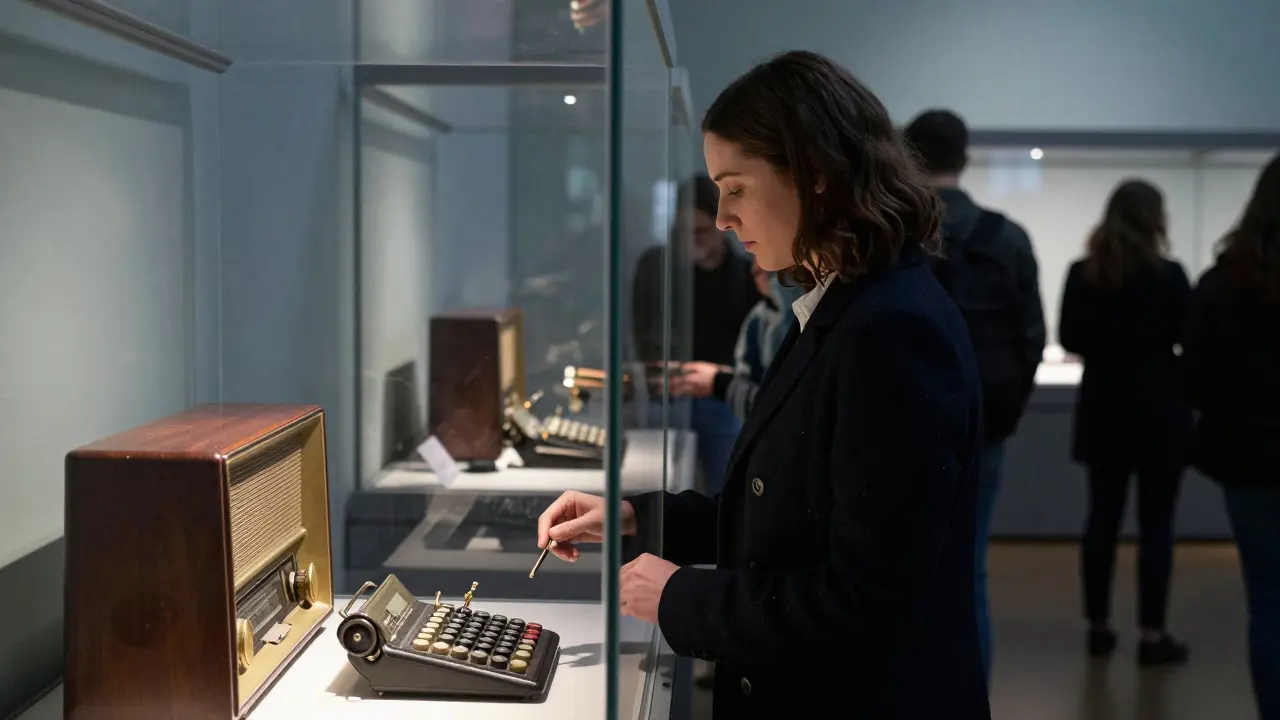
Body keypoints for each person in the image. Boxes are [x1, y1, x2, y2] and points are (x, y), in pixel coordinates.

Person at [539, 50, 991, 719]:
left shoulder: (888, 332)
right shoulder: (844, 308)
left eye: (737, 187)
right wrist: (638, 517)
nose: (723, 217)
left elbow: (865, 600)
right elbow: (786, 516)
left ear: (815, 177)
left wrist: (682, 599)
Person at [903, 109, 1046, 684]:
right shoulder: (1006, 236)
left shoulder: (897, 233)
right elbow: (1032, 335)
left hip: (906, 423)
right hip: (985, 420)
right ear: (963, 158)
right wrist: (1006, 409)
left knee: (898, 563)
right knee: (969, 568)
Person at [1058, 179, 1192, 665]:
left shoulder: (1083, 273)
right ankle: (1152, 634)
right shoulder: (1169, 275)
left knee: (1102, 520)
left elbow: (1071, 336)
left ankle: (1098, 626)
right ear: (1155, 218)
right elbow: (1188, 338)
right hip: (1160, 411)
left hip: (1104, 409)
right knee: (1157, 527)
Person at [1182, 153, 1280, 719]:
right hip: (1250, 459)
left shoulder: (1226, 282)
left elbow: (1196, 380)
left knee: (1268, 602)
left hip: (1250, 462)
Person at [632, 174, 762, 492]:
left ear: (721, 228)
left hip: (721, 398)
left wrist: (723, 380)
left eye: (702, 231)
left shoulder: (748, 274)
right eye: (684, 232)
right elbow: (642, 332)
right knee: (646, 488)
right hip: (665, 395)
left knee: (727, 491)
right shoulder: (656, 267)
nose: (693, 241)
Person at [669, 258, 802, 422]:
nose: (755, 270)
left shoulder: (804, 316)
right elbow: (755, 383)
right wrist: (720, 378)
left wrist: (720, 383)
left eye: (762, 262)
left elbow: (784, 409)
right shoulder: (762, 316)